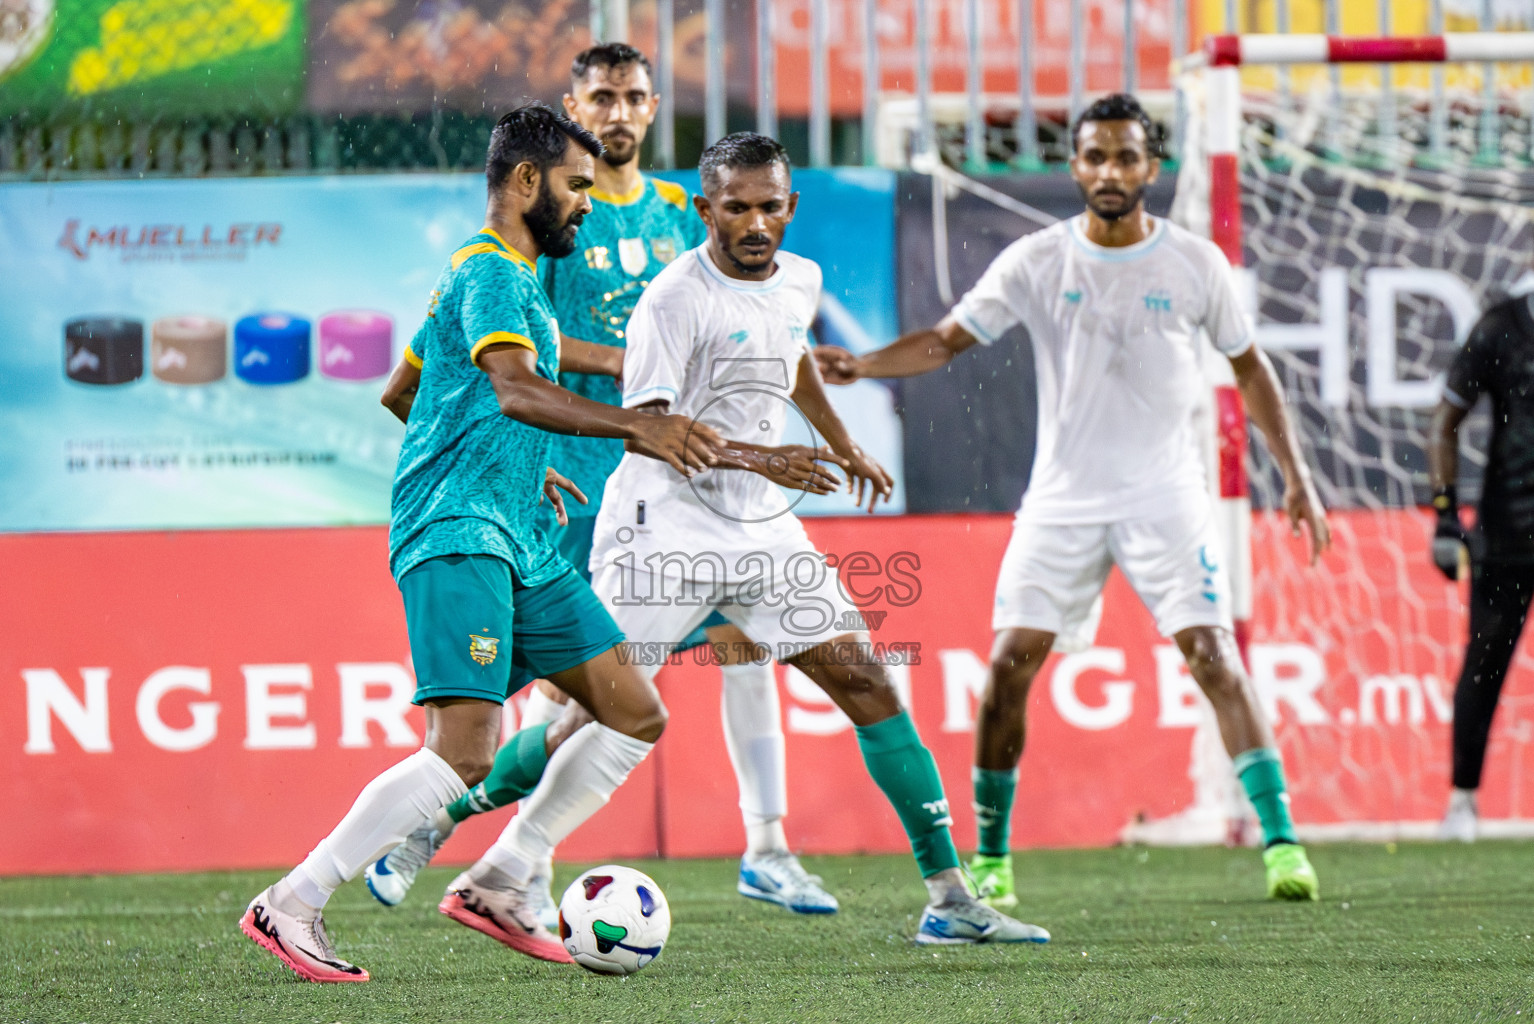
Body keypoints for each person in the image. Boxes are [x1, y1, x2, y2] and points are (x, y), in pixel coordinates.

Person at [239, 104, 724, 983]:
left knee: (634, 709)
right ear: (528, 182)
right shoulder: (492, 271)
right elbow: (510, 387)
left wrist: (517, 463)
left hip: (520, 537)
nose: (587, 204)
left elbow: (404, 392)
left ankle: (500, 879)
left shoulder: (501, 281)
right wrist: (634, 429)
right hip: (458, 531)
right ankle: (295, 902)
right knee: (464, 749)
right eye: (577, 187)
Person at [363, 42, 839, 920]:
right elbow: (509, 349)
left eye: (633, 97)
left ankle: (767, 845)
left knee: (740, 644)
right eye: (601, 97)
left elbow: (747, 315)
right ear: (575, 109)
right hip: (579, 467)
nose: (618, 113)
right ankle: (442, 827)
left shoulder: (677, 212)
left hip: (682, 470)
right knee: (559, 689)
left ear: (655, 109)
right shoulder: (542, 225)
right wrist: (629, 369)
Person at [816, 93, 1330, 905]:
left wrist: (1296, 476)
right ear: (1076, 166)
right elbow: (948, 339)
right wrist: (866, 366)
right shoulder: (1037, 260)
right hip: (1062, 501)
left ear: (1151, 168)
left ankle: (1282, 845)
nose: (1111, 171)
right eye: (1096, 156)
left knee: (1215, 657)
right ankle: (990, 857)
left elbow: (1250, 366)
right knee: (1008, 669)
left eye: (1127, 157)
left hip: (1167, 497)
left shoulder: (1196, 263)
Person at [588, 130, 1050, 945]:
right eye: (737, 208)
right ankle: (456, 831)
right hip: (663, 525)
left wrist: (838, 445)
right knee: (586, 711)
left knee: (869, 683)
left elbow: (792, 355)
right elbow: (648, 427)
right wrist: (772, 454)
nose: (756, 222)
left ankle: (949, 898)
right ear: (706, 209)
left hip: (762, 526)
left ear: (792, 207)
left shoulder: (801, 277)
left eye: (771, 207)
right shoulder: (673, 299)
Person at [1430, 293, 1534, 841]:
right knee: (1484, 665)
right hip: (1507, 532)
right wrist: (1446, 518)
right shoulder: (1502, 326)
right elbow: (1445, 420)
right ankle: (1462, 803)